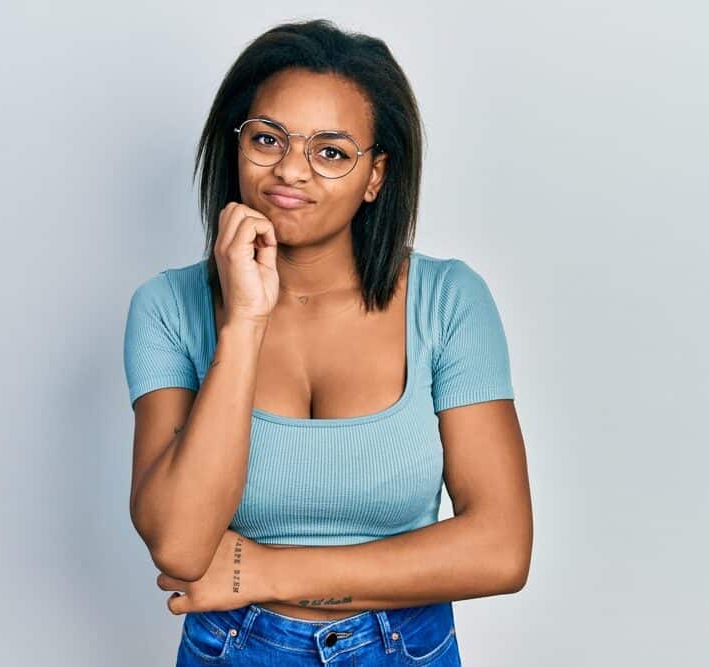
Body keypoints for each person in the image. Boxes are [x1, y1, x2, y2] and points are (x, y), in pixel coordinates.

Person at [124, 18, 533, 666]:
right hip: (235, 649)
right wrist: (244, 324)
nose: (290, 169)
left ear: (375, 176)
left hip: (406, 649)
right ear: (235, 146)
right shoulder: (169, 308)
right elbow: (179, 543)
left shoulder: (449, 300)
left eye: (331, 151)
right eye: (267, 139)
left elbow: (502, 547)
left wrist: (269, 572)